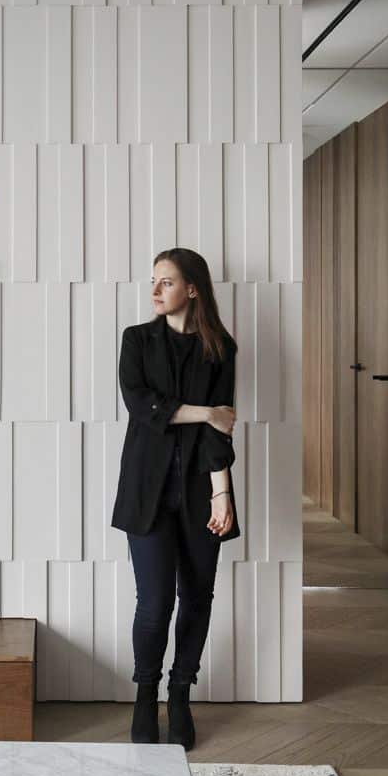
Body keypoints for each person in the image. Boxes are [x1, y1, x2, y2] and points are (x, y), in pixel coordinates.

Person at [110, 248, 240, 749]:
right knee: (155, 602)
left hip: (201, 491)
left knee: (198, 597)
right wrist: (206, 411)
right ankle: (145, 696)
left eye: (166, 281)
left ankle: (180, 694)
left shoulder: (220, 349)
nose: (155, 290)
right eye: (153, 281)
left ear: (192, 288)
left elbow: (220, 432)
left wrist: (221, 494)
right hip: (147, 491)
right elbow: (142, 406)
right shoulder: (137, 341)